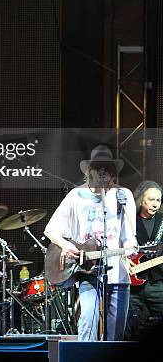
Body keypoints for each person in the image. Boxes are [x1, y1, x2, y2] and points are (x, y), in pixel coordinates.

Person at [44, 144, 137, 341]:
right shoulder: (76, 196)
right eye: (98, 167)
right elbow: (51, 230)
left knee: (116, 331)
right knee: (87, 319)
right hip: (88, 271)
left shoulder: (124, 195)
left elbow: (129, 236)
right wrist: (67, 246)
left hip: (118, 274)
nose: (103, 171)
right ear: (90, 170)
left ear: (113, 173)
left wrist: (131, 248)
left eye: (108, 168)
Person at [128, 181, 163, 333]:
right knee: (131, 325)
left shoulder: (162, 221)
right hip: (133, 283)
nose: (155, 204)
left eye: (158, 200)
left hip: (158, 282)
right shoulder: (129, 220)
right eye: (151, 199)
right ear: (141, 200)